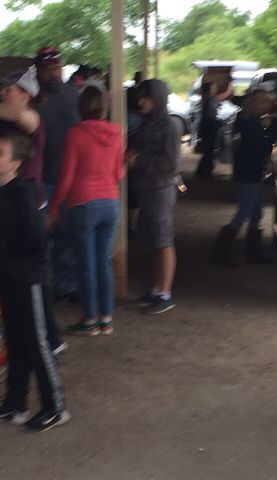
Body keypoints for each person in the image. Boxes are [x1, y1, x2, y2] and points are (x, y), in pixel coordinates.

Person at [0, 128, 68, 433]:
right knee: (16, 342)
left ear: (16, 162)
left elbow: (36, 239)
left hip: (29, 278)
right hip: (9, 277)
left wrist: (0, 249)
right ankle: (15, 404)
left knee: (37, 342)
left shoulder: (22, 194)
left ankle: (55, 406)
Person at [50, 86, 124, 336]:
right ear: (104, 107)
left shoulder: (75, 135)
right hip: (110, 202)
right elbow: (118, 173)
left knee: (86, 264)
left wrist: (54, 207)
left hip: (83, 204)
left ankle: (89, 318)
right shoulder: (116, 133)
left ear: (81, 107)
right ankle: (107, 318)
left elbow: (67, 176)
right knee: (103, 261)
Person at [127, 79, 180, 315]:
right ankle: (157, 289)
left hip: (160, 189)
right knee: (152, 241)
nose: (141, 101)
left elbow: (170, 163)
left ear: (157, 99)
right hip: (147, 189)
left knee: (162, 240)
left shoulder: (168, 126)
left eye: (145, 97)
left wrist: (138, 160)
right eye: (140, 97)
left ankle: (165, 293)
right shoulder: (147, 124)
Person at [35, 47, 80, 300]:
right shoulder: (31, 98)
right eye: (47, 69)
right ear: (38, 71)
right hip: (43, 181)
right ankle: (45, 288)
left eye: (56, 68)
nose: (53, 74)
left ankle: (67, 286)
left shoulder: (73, 94)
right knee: (43, 237)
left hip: (70, 180)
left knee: (67, 236)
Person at [213, 89, 274, 268]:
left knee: (256, 213)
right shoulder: (252, 124)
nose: (267, 106)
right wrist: (268, 132)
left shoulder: (244, 121)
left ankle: (253, 252)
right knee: (245, 213)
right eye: (264, 102)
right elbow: (261, 148)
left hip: (247, 171)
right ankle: (220, 252)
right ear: (257, 105)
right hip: (249, 173)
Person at [0, 65, 45, 206]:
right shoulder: (0, 117)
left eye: (9, 90)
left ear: (25, 95)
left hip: (26, 198)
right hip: (1, 194)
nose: (2, 93)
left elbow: (20, 115)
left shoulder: (33, 117)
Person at [195, 82, 219, 180]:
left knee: (208, 152)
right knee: (208, 152)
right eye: (213, 88)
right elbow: (209, 117)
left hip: (207, 130)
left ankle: (204, 171)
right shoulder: (209, 101)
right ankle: (204, 172)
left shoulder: (207, 101)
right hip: (209, 130)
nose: (215, 90)